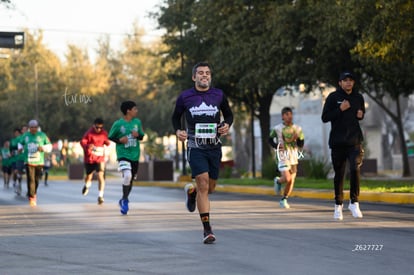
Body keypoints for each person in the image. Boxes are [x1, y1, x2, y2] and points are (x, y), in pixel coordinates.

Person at [172, 62, 234, 244]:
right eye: (200, 73)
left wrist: (226, 125)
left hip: (214, 146)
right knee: (203, 183)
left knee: (210, 188)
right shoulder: (185, 97)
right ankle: (207, 230)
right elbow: (175, 117)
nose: (204, 75)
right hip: (195, 145)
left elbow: (229, 114)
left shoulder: (219, 94)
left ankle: (192, 193)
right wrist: (178, 131)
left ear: (210, 77)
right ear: (194, 77)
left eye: (207, 73)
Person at [322, 71, 365, 220]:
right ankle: (338, 205)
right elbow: (325, 117)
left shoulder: (358, 97)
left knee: (355, 168)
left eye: (351, 80)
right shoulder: (333, 97)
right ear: (340, 83)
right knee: (339, 175)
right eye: (345, 80)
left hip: (354, 141)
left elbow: (361, 113)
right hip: (338, 142)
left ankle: (354, 202)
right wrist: (340, 109)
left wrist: (361, 115)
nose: (348, 83)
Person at [108, 101, 145, 215]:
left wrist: (137, 135)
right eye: (135, 109)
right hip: (123, 154)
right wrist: (120, 140)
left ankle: (124, 198)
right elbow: (110, 137)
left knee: (130, 179)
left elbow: (142, 136)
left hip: (135, 155)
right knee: (127, 175)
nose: (136, 111)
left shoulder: (137, 122)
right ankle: (125, 200)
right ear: (128, 111)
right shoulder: (118, 124)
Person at [269, 107, 305, 208]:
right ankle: (279, 182)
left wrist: (297, 138)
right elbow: (270, 139)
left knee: (291, 181)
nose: (289, 116)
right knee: (288, 178)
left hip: (293, 156)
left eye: (290, 114)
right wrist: (276, 145)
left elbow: (301, 144)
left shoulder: (297, 129)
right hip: (282, 156)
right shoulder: (277, 128)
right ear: (283, 116)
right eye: (287, 114)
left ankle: (283, 198)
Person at [18, 120, 52, 206]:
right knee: (30, 179)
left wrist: (43, 148)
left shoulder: (42, 135)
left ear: (37, 128)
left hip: (39, 161)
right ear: (29, 128)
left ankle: (34, 193)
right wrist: (20, 148)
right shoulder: (25, 135)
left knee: (36, 179)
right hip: (29, 160)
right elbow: (20, 143)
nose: (33, 129)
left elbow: (49, 146)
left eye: (35, 127)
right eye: (31, 127)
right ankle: (32, 197)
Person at [80, 118, 111, 204]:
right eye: (97, 127)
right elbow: (83, 142)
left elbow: (107, 142)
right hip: (90, 159)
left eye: (100, 128)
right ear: (94, 125)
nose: (99, 129)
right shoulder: (89, 133)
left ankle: (100, 196)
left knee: (100, 175)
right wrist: (87, 146)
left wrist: (107, 142)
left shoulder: (104, 133)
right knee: (89, 176)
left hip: (100, 158)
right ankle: (87, 185)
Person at [10, 127, 25, 195]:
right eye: (15, 133)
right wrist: (12, 153)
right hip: (17, 158)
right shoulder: (15, 140)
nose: (16, 134)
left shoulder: (27, 137)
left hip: (27, 158)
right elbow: (12, 148)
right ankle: (18, 184)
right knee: (16, 172)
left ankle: (30, 189)